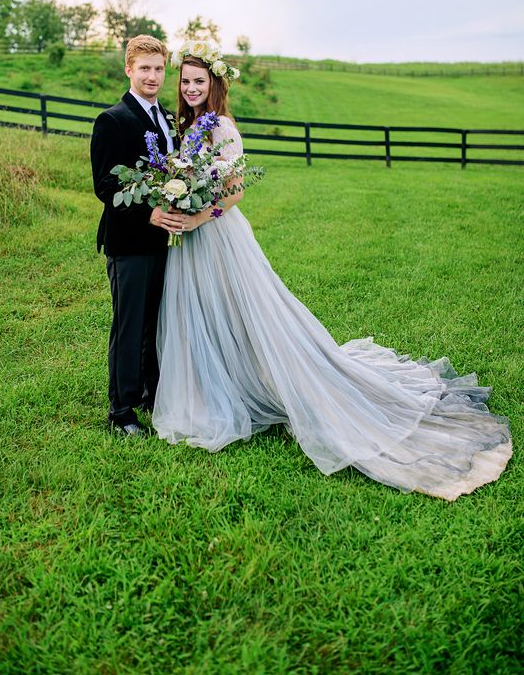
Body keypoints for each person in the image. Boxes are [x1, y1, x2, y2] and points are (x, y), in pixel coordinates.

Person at [152, 43, 512, 500]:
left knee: (251, 312)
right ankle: (217, 385)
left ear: (215, 84)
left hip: (218, 234)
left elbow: (236, 190)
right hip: (191, 241)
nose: (190, 88)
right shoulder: (184, 124)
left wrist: (199, 217)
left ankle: (271, 383)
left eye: (198, 81)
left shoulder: (222, 126)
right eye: (184, 81)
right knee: (206, 313)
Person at [90, 34, 184, 436]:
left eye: (159, 68)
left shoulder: (167, 118)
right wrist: (152, 212)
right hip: (129, 241)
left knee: (154, 321)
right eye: (144, 68)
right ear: (128, 69)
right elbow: (106, 188)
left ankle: (150, 391)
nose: (152, 76)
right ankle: (122, 411)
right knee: (129, 324)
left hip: (165, 242)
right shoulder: (113, 119)